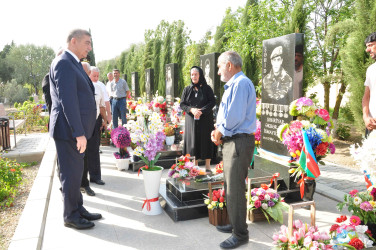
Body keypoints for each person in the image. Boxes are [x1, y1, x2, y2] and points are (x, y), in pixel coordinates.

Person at [49, 29, 101, 230]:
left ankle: (78, 208)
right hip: (69, 131)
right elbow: (67, 101)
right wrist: (79, 133)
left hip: (74, 131)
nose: (89, 47)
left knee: (76, 172)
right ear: (74, 41)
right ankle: (70, 215)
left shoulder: (73, 63)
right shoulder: (63, 63)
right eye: (87, 43)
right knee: (71, 175)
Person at [211, 51, 256, 249]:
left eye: (220, 66)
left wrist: (220, 131)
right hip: (233, 140)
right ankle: (235, 224)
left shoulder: (241, 83)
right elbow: (228, 113)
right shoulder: (234, 84)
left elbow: (234, 116)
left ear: (229, 65)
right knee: (230, 187)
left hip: (239, 141)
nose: (219, 71)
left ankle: (240, 234)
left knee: (235, 189)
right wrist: (218, 130)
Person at [180, 66, 215, 173]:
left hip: (205, 119)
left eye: (196, 74)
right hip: (191, 120)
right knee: (193, 142)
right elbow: (182, 104)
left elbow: (212, 102)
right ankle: (195, 166)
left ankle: (208, 166)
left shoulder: (207, 88)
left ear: (200, 75)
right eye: (192, 74)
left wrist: (201, 111)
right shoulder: (187, 89)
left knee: (206, 140)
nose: (193, 76)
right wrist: (192, 110)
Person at [79, 63, 107, 196]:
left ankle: (95, 176)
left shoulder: (98, 87)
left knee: (94, 149)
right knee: (83, 152)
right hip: (82, 122)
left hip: (95, 121)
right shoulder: (79, 85)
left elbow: (102, 105)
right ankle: (82, 181)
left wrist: (105, 120)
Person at [363, 32, 376, 137]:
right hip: (371, 128)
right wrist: (366, 117)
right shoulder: (371, 69)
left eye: (371, 45)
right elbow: (366, 96)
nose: (367, 50)